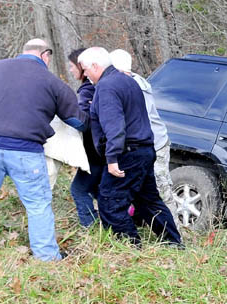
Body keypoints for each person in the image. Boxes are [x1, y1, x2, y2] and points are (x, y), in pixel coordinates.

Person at [0, 38, 85, 261]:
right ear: (45, 55)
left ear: (24, 51)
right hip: (26, 151)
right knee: (37, 203)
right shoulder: (52, 82)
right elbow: (76, 120)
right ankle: (46, 256)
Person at [77, 47, 182, 248]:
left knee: (110, 202)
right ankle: (173, 242)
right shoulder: (129, 81)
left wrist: (112, 159)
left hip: (127, 154)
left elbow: (114, 126)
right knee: (149, 201)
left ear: (95, 66)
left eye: (85, 69)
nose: (85, 75)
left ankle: (130, 246)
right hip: (144, 150)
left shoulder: (106, 86)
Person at [108, 49, 176, 223]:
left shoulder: (135, 87)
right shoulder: (129, 82)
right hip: (143, 145)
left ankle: (176, 230)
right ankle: (145, 223)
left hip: (155, 144)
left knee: (161, 189)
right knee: (140, 188)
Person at [67, 47, 106, 227]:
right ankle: (108, 223)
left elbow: (84, 120)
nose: (71, 70)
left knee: (79, 190)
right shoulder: (96, 86)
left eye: (72, 66)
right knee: (99, 190)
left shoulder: (87, 90)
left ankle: (90, 227)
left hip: (94, 152)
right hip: (102, 151)